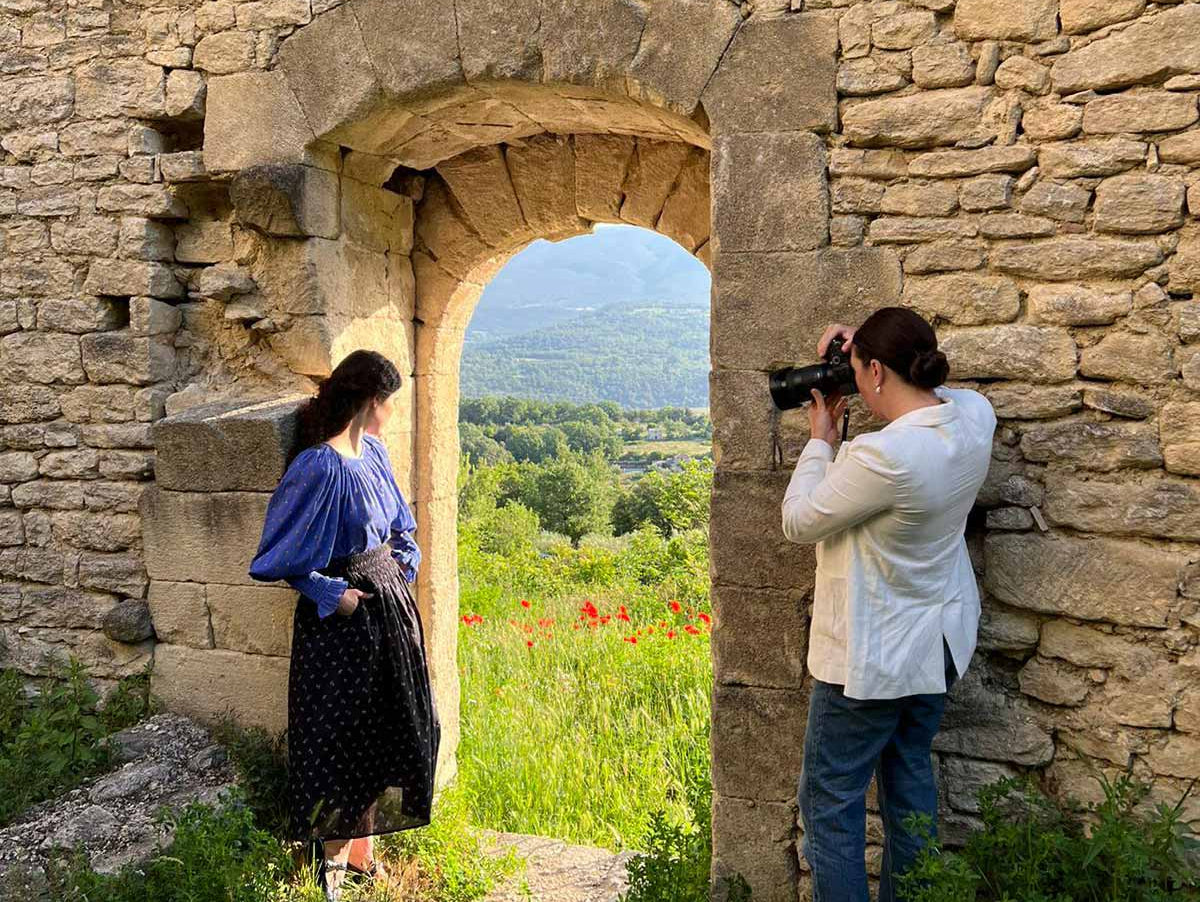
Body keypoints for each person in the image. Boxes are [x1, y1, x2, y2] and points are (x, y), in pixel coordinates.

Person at [780, 307, 996, 902]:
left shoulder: (884, 458)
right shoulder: (975, 419)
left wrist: (821, 443)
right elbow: (938, 391)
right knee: (907, 782)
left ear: (875, 371)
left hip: (873, 663)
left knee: (829, 801)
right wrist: (868, 350)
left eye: (857, 370)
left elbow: (799, 520)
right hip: (939, 645)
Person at [248, 349, 439, 901]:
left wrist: (403, 567)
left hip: (389, 609)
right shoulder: (318, 466)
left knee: (394, 727)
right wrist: (336, 595)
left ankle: (363, 851)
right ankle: (328, 869)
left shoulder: (373, 453)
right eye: (389, 404)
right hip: (343, 621)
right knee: (343, 736)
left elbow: (402, 524)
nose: (392, 415)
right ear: (370, 402)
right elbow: (277, 556)